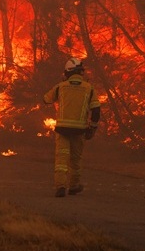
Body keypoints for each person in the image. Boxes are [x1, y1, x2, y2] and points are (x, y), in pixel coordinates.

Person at [42, 58, 102, 198]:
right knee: (75, 159)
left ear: (67, 72)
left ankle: (60, 187)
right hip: (79, 131)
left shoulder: (60, 86)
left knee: (61, 159)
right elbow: (96, 110)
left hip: (62, 129)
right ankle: (74, 186)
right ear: (81, 72)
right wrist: (92, 127)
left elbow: (46, 99)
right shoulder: (89, 88)